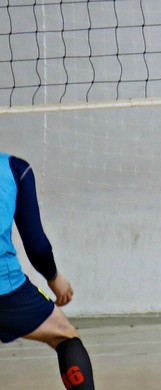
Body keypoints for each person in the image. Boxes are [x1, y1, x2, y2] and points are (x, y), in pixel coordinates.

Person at [0, 153, 95, 389]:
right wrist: (54, 278)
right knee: (64, 336)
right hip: (7, 291)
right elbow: (36, 245)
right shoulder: (14, 169)